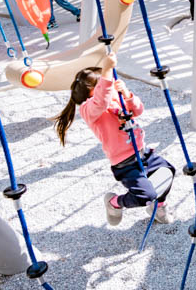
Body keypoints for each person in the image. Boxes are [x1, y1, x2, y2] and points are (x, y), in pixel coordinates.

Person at [54, 52, 175, 226]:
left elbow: (138, 110)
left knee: (167, 171)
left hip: (142, 152)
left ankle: (159, 206)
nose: (109, 89)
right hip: (125, 163)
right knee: (145, 195)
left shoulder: (115, 99)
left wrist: (126, 93)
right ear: (91, 92)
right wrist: (107, 69)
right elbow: (101, 100)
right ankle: (115, 203)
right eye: (103, 85)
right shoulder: (89, 110)